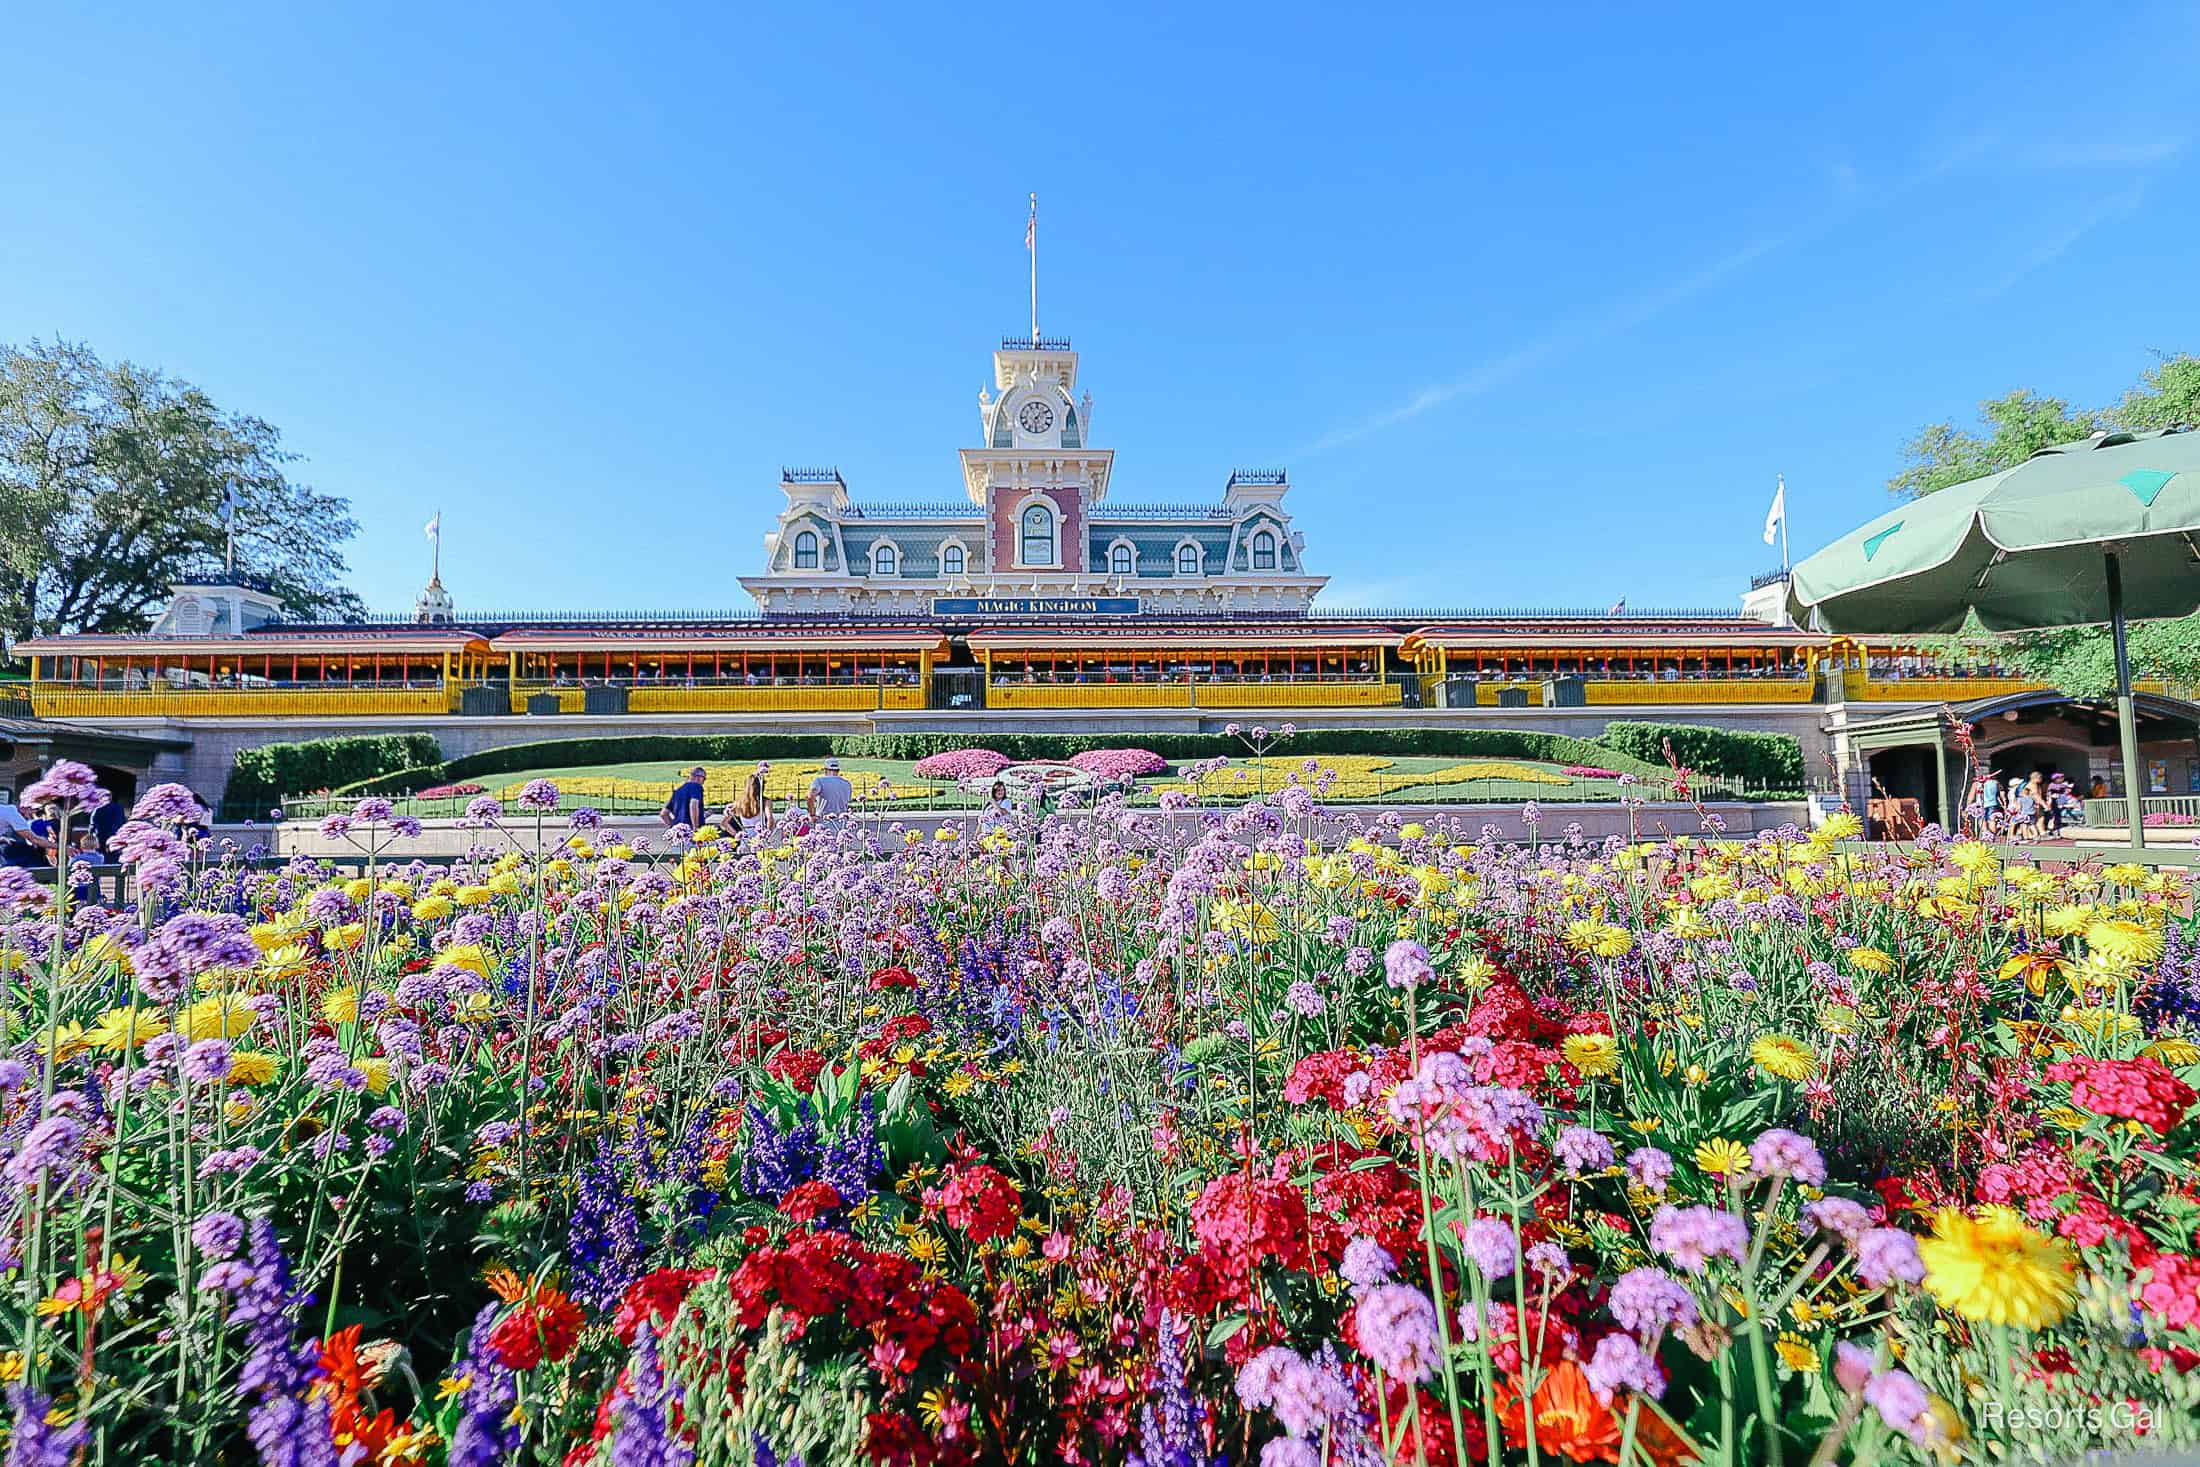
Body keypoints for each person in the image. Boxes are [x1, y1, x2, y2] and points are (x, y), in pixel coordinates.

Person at [716, 763, 771, 841]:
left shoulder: (739, 802)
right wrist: (766, 835)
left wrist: (737, 835)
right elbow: (770, 819)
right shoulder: (765, 801)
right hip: (761, 840)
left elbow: (724, 823)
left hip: (746, 841)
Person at [0, 793, 53, 868]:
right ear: (24, 808)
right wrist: (59, 846)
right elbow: (35, 840)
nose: (34, 812)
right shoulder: (11, 812)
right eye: (33, 809)